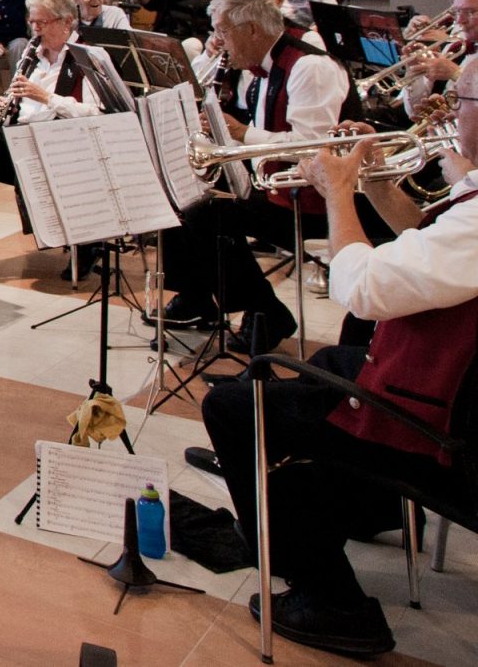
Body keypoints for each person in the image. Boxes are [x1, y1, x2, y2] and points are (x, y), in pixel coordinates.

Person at [198, 58, 478, 657]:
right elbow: (422, 246)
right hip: (451, 389)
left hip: (444, 429)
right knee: (329, 359)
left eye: (464, 97)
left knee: (232, 406)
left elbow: (363, 288)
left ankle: (331, 599)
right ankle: (364, 505)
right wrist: (375, 182)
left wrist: (338, 193)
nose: (451, 108)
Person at [158, 0, 354, 351]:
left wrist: (239, 132)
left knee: (210, 216)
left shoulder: (310, 67)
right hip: (272, 187)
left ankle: (264, 311)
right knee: (180, 197)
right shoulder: (259, 67)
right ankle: (198, 298)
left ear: (250, 30)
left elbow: (311, 145)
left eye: (223, 32)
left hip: (315, 202)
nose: (218, 42)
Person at [0, 0, 132, 277]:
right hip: (27, 138)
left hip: (68, 145)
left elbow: (96, 113)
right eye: (31, 22)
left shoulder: (88, 56)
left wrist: (46, 97)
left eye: (41, 23)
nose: (34, 29)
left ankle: (87, 247)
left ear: (66, 22)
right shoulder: (33, 52)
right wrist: (9, 105)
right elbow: (23, 105)